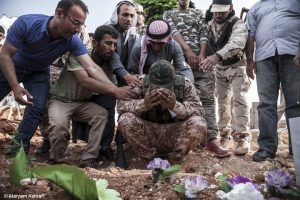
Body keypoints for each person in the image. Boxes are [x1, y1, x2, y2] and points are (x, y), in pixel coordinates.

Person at [0, 0, 135, 157]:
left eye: (81, 25)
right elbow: (5, 54)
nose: (78, 29)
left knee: (36, 107)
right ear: (59, 14)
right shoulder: (27, 23)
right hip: (9, 66)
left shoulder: (72, 41)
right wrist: (16, 87)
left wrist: (115, 89)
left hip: (38, 72)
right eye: (75, 22)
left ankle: (17, 150)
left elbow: (92, 68)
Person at [48, 25, 135, 168]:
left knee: (101, 115)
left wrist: (127, 91)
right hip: (61, 100)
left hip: (82, 103)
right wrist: (116, 90)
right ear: (95, 43)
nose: (112, 48)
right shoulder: (79, 55)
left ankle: (89, 159)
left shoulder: (107, 65)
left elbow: (109, 86)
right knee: (58, 127)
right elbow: (84, 80)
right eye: (108, 43)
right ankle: (57, 160)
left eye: (114, 44)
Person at [163, 0, 228, 157]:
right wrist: (188, 52)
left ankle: (211, 139)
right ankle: (180, 140)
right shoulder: (168, 14)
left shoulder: (198, 13)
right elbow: (172, 32)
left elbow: (204, 33)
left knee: (207, 99)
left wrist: (201, 55)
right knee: (179, 100)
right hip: (179, 62)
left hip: (201, 62)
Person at [117, 60, 207, 162]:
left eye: (165, 87)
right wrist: (144, 104)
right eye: (156, 86)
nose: (160, 90)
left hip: (175, 132)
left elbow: (199, 111)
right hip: (148, 132)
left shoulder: (184, 84)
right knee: (125, 119)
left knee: (199, 123)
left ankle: (174, 159)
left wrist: (175, 106)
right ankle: (150, 159)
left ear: (174, 80)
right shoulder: (140, 83)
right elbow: (121, 107)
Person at [246, 0, 300, 161]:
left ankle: (297, 147)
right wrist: (249, 60)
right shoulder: (256, 8)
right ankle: (266, 148)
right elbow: (251, 34)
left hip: (293, 54)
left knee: (295, 103)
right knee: (266, 104)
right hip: (264, 57)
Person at [200, 0, 251, 155]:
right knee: (222, 102)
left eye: (221, 12)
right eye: (215, 11)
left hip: (237, 65)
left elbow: (237, 43)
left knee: (239, 100)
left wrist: (216, 57)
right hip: (220, 69)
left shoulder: (238, 24)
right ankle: (224, 134)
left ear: (230, 9)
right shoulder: (209, 25)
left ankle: (242, 137)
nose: (218, 15)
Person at [128, 19, 194, 82]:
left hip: (168, 80)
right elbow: (132, 73)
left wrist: (188, 83)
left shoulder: (174, 46)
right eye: (153, 42)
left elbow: (184, 70)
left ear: (168, 39)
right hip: (146, 81)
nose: (156, 47)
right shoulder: (138, 47)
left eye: (161, 43)